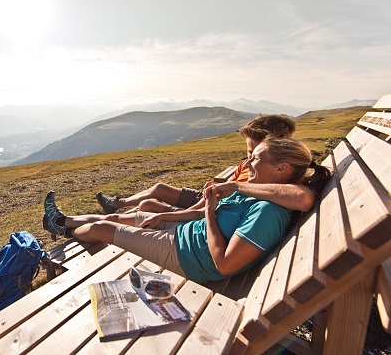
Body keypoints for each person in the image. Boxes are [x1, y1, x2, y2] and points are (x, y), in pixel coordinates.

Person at [42, 137, 331, 283]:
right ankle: (61, 223)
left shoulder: (268, 211)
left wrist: (215, 207)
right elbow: (200, 213)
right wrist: (162, 216)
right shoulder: (259, 190)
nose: (249, 163)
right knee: (119, 217)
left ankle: (67, 229)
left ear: (281, 168)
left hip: (189, 257)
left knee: (100, 229)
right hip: (186, 234)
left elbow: (224, 265)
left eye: (255, 158)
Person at [95, 114, 316, 214]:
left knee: (148, 205)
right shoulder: (258, 166)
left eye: (253, 153)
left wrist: (179, 215)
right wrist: (222, 183)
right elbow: (230, 183)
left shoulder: (272, 177)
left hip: (210, 208)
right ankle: (117, 204)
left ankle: (118, 212)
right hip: (209, 198)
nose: (248, 160)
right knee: (159, 189)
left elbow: (299, 196)